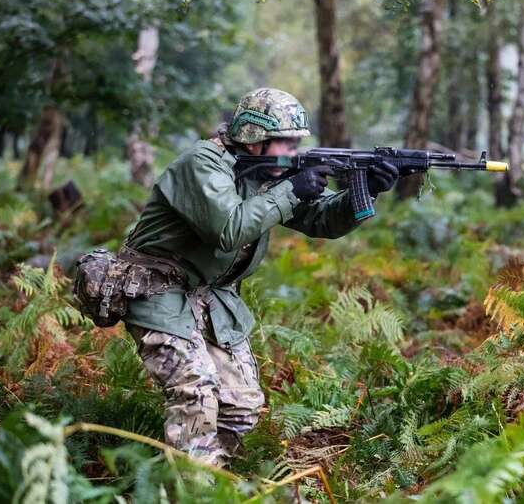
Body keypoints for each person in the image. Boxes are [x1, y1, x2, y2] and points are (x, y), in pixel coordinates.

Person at [119, 88, 399, 466]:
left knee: (242, 408)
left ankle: (220, 478)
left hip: (210, 295)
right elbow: (229, 229)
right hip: (156, 287)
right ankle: (197, 489)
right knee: (195, 393)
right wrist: (290, 189)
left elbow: (319, 220)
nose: (294, 150)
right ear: (254, 140)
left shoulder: (271, 172)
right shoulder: (202, 163)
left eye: (297, 142)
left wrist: (364, 194)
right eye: (285, 141)